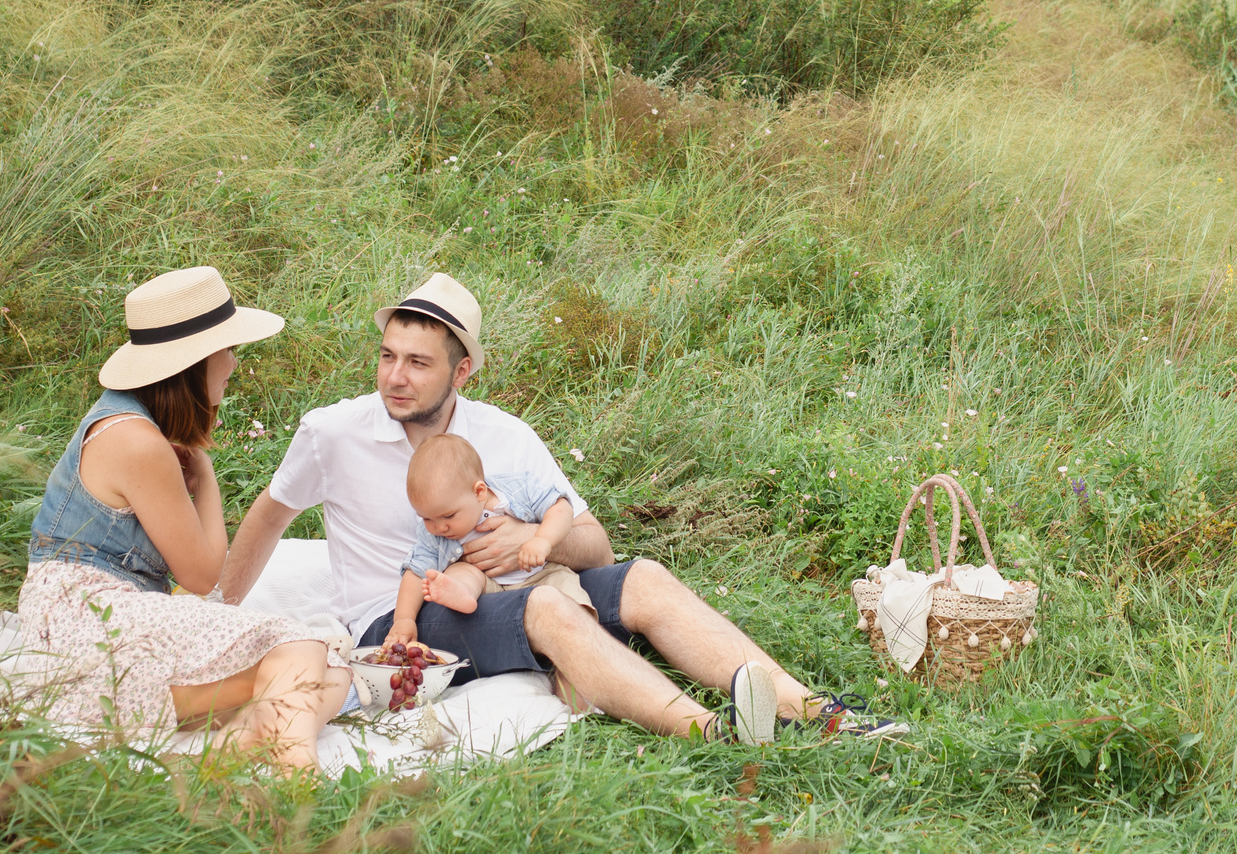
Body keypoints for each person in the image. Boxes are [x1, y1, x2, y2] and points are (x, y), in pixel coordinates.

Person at [222, 274, 900, 742]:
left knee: (644, 577)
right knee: (546, 608)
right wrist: (215, 610)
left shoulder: (504, 435)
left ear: (462, 372)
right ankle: (712, 729)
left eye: (419, 363)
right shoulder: (333, 431)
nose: (395, 376)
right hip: (400, 617)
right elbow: (268, 516)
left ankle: (810, 707)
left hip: (520, 583)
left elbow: (594, 543)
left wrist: (527, 535)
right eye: (388, 356)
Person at [17, 266, 352, 770]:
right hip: (88, 628)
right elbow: (201, 577)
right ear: (195, 361)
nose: (234, 364)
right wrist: (207, 477)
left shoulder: (129, 424)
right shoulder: (138, 441)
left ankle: (244, 740)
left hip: (96, 636)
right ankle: (296, 770)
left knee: (330, 663)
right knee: (303, 651)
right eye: (228, 349)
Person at [393, 433, 590, 637]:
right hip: (489, 590)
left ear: (479, 492)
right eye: (426, 519)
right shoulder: (433, 535)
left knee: (571, 602)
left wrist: (542, 539)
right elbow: (416, 571)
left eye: (449, 516)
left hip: (541, 574)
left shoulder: (517, 489)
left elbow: (560, 508)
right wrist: (404, 619)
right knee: (459, 570)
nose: (439, 527)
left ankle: (583, 634)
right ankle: (462, 592)